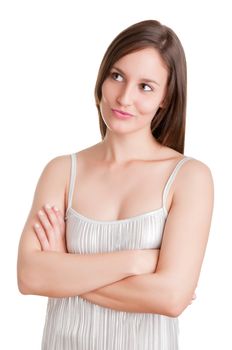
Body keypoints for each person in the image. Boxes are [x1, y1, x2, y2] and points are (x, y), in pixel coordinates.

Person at [17, 19, 214, 350]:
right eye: (117, 76)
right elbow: (29, 276)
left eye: (146, 86)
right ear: (102, 78)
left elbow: (170, 297)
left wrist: (64, 269)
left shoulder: (189, 177)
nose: (124, 97)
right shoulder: (62, 171)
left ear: (166, 98)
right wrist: (136, 261)